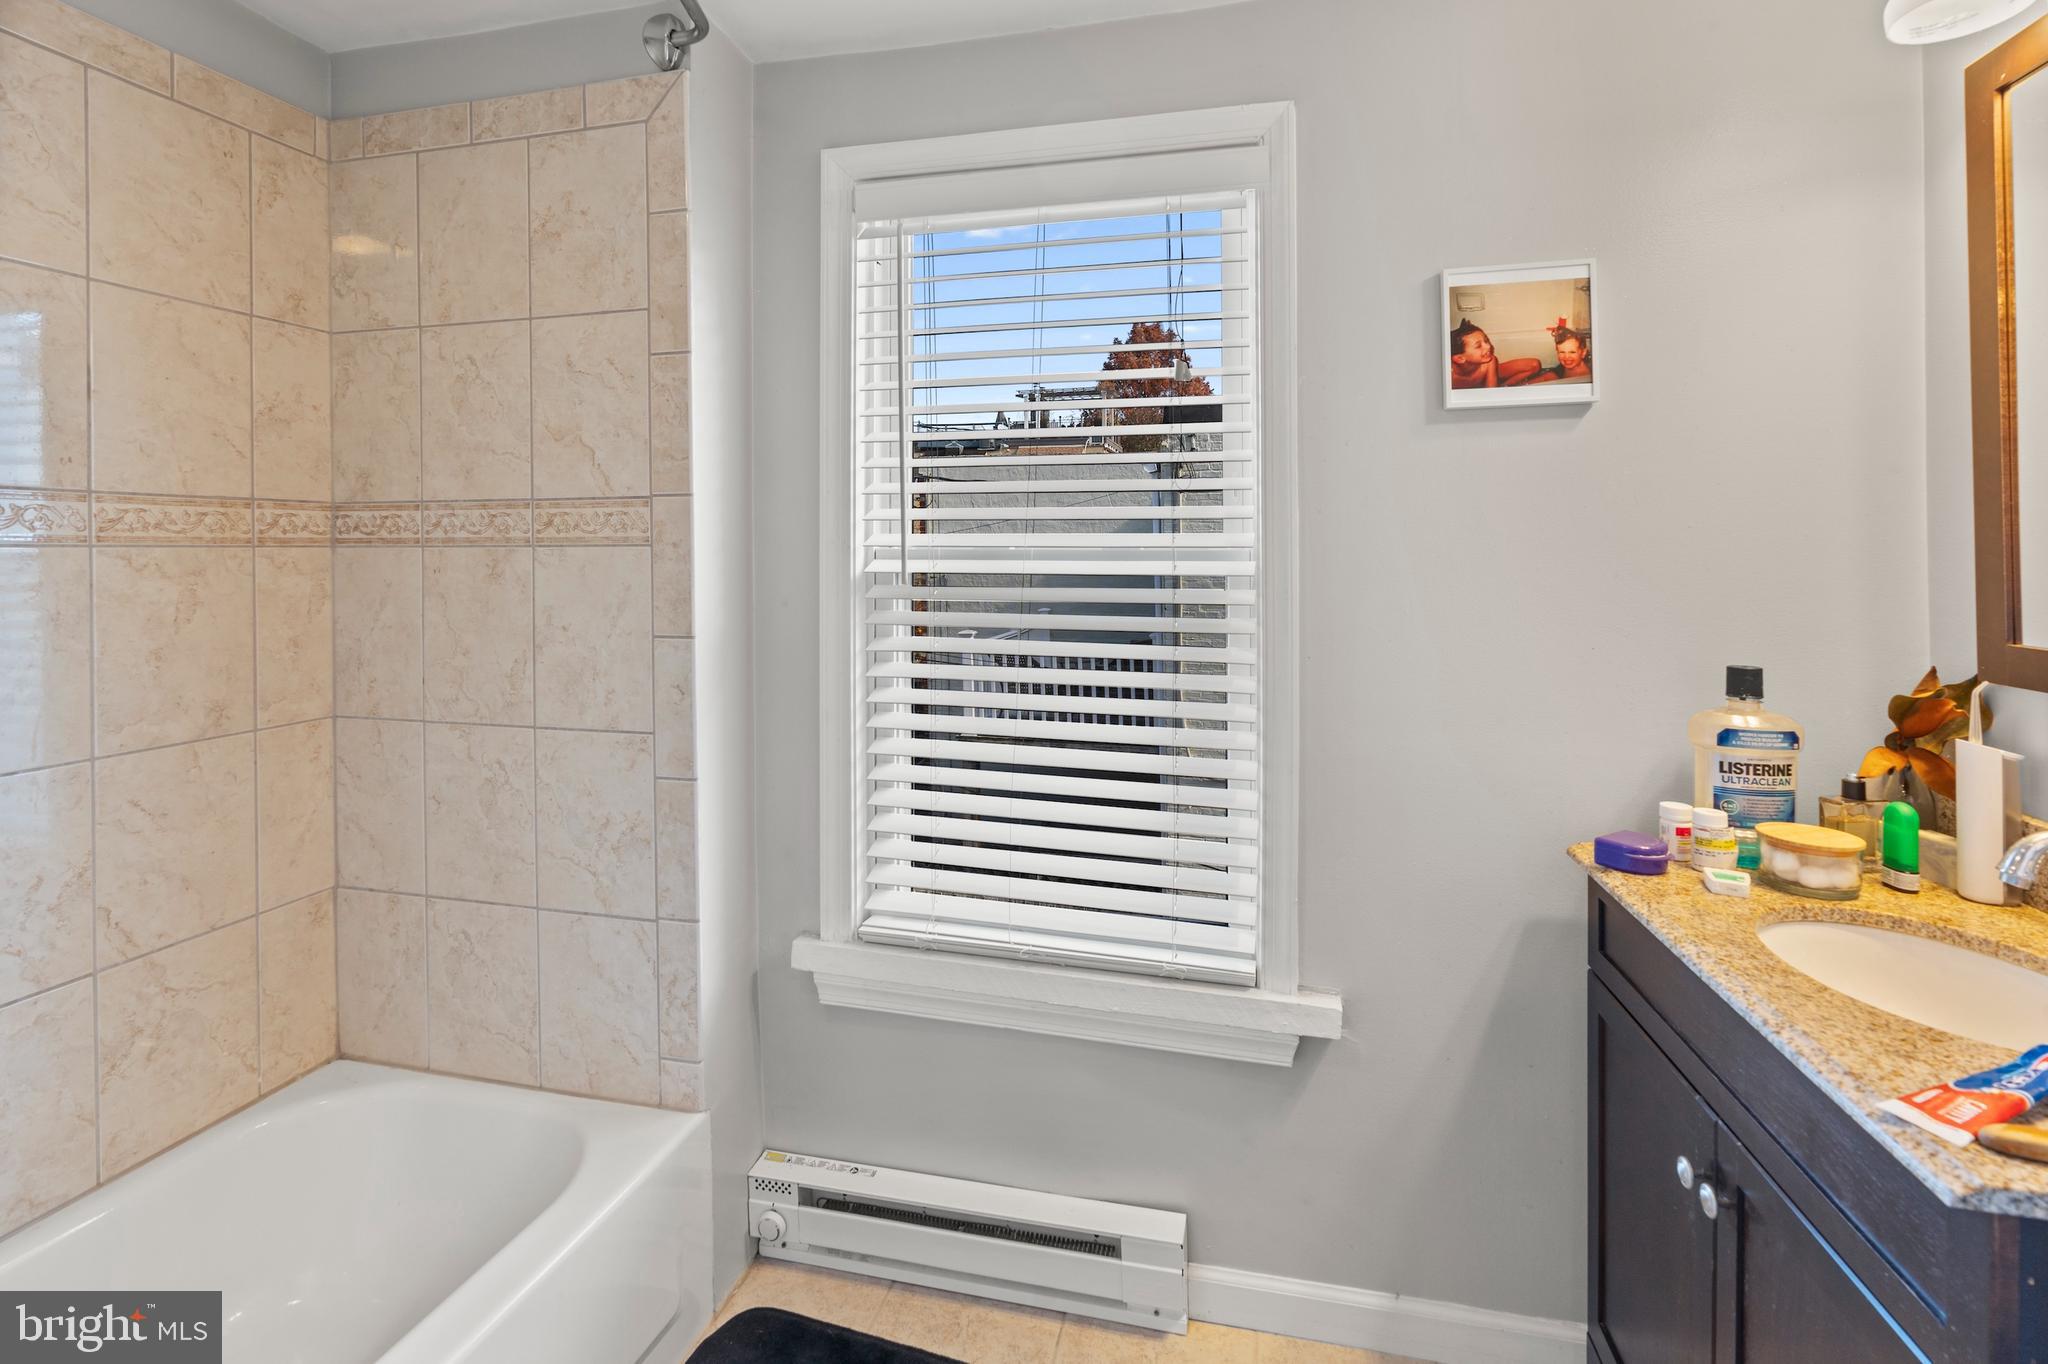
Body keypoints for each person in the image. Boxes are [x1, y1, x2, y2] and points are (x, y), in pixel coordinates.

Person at [1449, 319, 1544, 389]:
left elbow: (1491, 394)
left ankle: (1505, 386)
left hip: (1484, 372)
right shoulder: (1448, 376)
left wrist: (1502, 387)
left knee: (1534, 365)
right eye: (1478, 346)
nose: (1488, 346)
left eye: (1486, 340)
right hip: (1478, 380)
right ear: (1460, 358)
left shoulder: (1489, 361)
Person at [1524, 318, 1592, 385]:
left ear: (1583, 353)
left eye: (1572, 352)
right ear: (1557, 351)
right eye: (1562, 352)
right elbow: (1550, 375)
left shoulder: (1584, 378)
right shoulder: (1566, 366)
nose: (1566, 357)